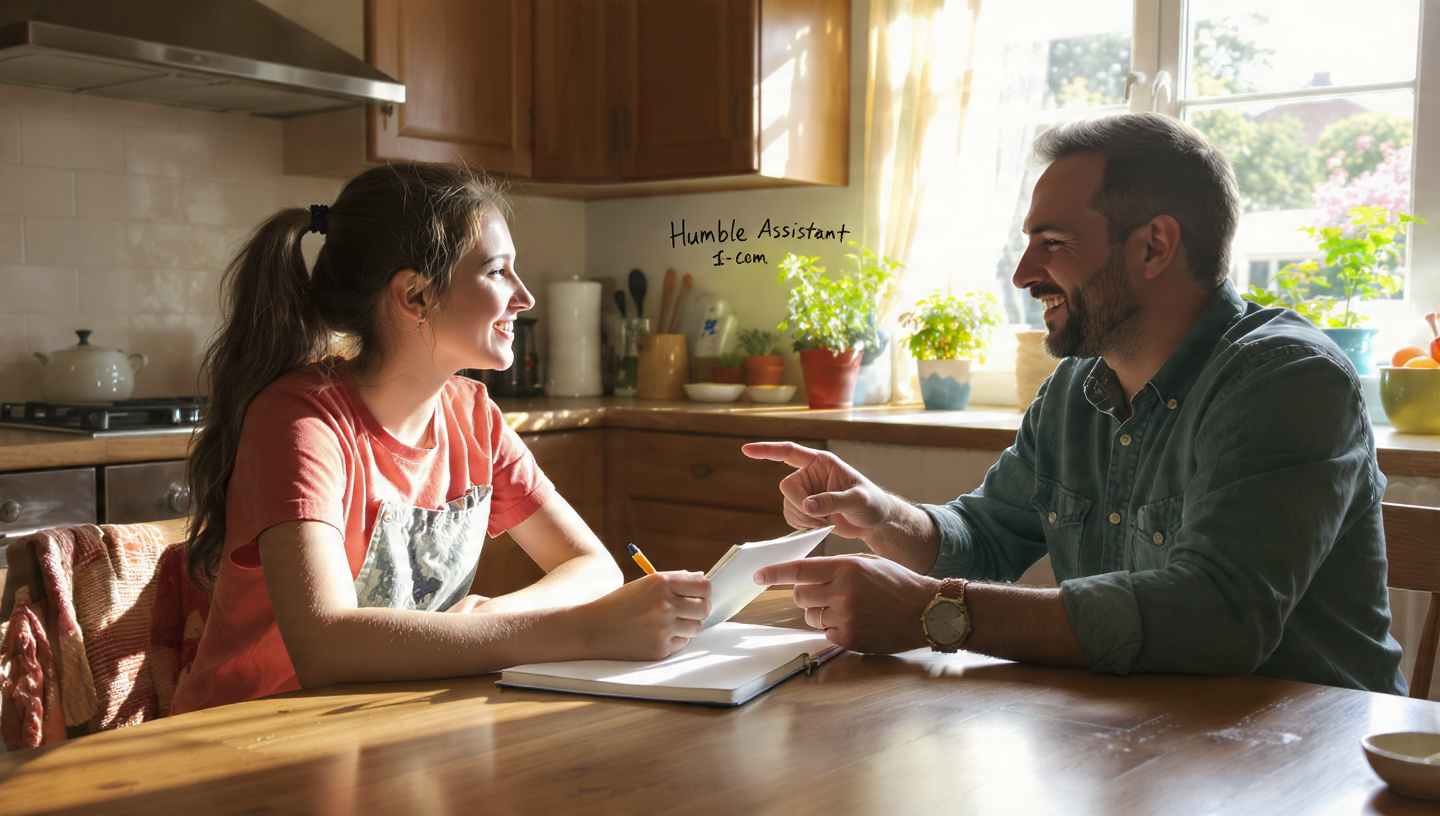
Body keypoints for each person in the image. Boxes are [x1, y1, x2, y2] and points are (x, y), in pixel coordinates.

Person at [746, 113, 1405, 694]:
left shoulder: (1286, 379)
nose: (1024, 273)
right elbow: (985, 539)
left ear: (1155, 246)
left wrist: (933, 612)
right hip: (1140, 745)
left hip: (1314, 761)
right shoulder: (1077, 387)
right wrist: (880, 514)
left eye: (1053, 243)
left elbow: (1218, 616)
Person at [173, 163, 710, 714]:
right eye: (499, 272)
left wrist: (489, 617)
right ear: (416, 296)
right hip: (251, 741)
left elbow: (594, 566)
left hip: (384, 725)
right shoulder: (301, 422)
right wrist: (579, 633)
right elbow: (325, 646)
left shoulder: (472, 415)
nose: (524, 297)